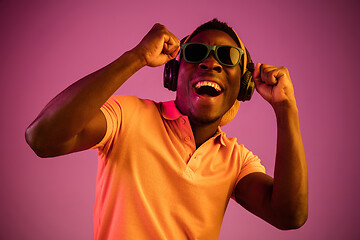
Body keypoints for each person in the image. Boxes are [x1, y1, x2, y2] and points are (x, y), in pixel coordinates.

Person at [25, 19, 308, 239]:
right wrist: (136, 56)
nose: (210, 63)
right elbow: (42, 138)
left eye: (226, 57)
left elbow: (289, 215)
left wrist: (286, 109)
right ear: (173, 74)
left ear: (243, 87)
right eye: (197, 53)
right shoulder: (128, 116)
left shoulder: (237, 161)